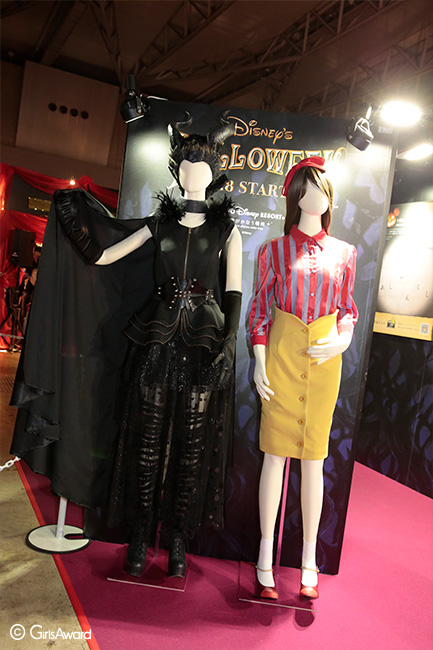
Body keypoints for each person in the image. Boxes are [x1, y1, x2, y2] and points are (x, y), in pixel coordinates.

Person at [57, 120, 242, 578]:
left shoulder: (227, 231)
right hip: (156, 342)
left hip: (202, 347)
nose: (193, 171)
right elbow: (106, 255)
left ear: (214, 173)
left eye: (202, 164)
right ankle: (140, 535)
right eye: (186, 163)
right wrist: (74, 223)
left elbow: (233, 292)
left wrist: (227, 345)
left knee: (191, 446)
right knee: (146, 443)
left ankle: (177, 539)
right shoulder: (159, 224)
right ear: (177, 170)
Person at [249, 156, 357, 600]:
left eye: (324, 188)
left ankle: (309, 559)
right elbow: (259, 312)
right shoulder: (272, 251)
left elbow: (348, 310)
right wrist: (258, 362)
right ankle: (264, 555)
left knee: (314, 460)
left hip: (324, 363)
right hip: (281, 358)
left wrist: (341, 341)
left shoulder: (346, 252)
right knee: (274, 457)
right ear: (296, 195)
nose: (319, 196)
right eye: (310, 187)